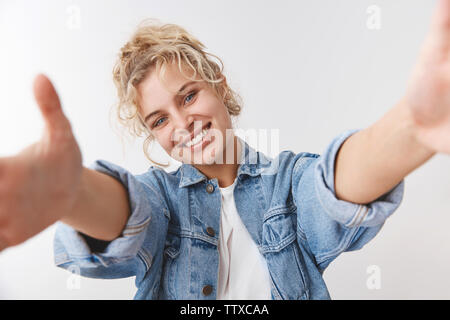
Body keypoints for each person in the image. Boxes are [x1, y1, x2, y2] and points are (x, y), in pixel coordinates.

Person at [0, 0, 449, 300]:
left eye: (189, 96)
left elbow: (332, 191)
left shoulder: (286, 183)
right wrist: (72, 192)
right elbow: (129, 216)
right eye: (159, 120)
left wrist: (411, 127)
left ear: (219, 83)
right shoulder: (162, 197)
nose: (182, 125)